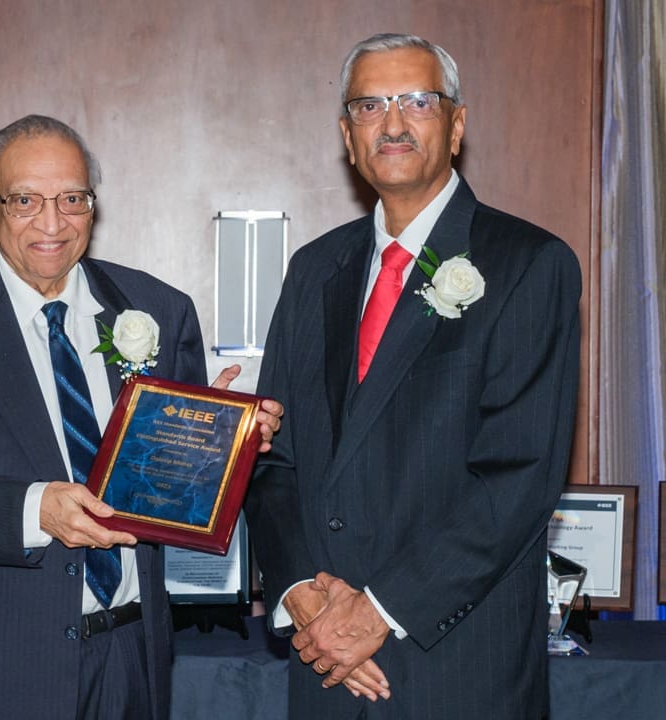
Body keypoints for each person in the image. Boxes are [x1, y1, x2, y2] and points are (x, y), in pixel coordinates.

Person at [0, 114, 280, 719]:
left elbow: (174, 497)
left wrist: (230, 446)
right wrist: (35, 512)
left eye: (72, 199)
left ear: (93, 206)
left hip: (131, 660)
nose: (51, 223)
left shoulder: (157, 309)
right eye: (25, 200)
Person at [246, 33, 581, 719]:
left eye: (416, 102)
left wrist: (378, 612)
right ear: (347, 135)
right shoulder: (314, 271)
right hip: (325, 667)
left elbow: (518, 478)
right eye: (369, 106)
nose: (392, 123)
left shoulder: (528, 264)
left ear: (456, 126)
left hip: (455, 666)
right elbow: (274, 459)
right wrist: (303, 594)